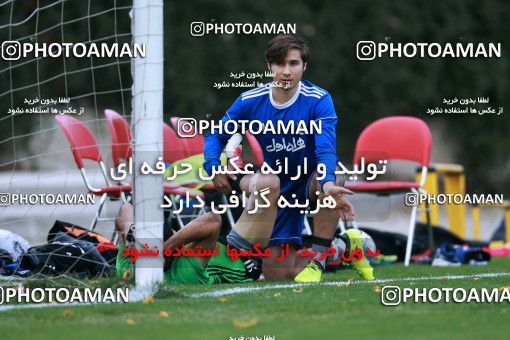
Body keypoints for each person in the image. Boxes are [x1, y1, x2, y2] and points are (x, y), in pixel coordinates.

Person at [203, 34, 374, 282]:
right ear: (269, 66)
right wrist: (213, 167)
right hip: (278, 189)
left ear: (304, 66)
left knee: (334, 176)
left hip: (310, 181)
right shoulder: (250, 101)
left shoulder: (319, 100)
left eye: (293, 64)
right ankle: (345, 247)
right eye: (280, 64)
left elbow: (326, 150)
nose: (286, 71)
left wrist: (327, 183)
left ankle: (318, 258)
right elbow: (215, 137)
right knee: (278, 275)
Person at [115, 203, 254, 284]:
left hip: (212, 241)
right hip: (244, 256)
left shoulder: (127, 266)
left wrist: (130, 233)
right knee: (267, 184)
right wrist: (166, 248)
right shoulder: (183, 274)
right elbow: (214, 219)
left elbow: (126, 207)